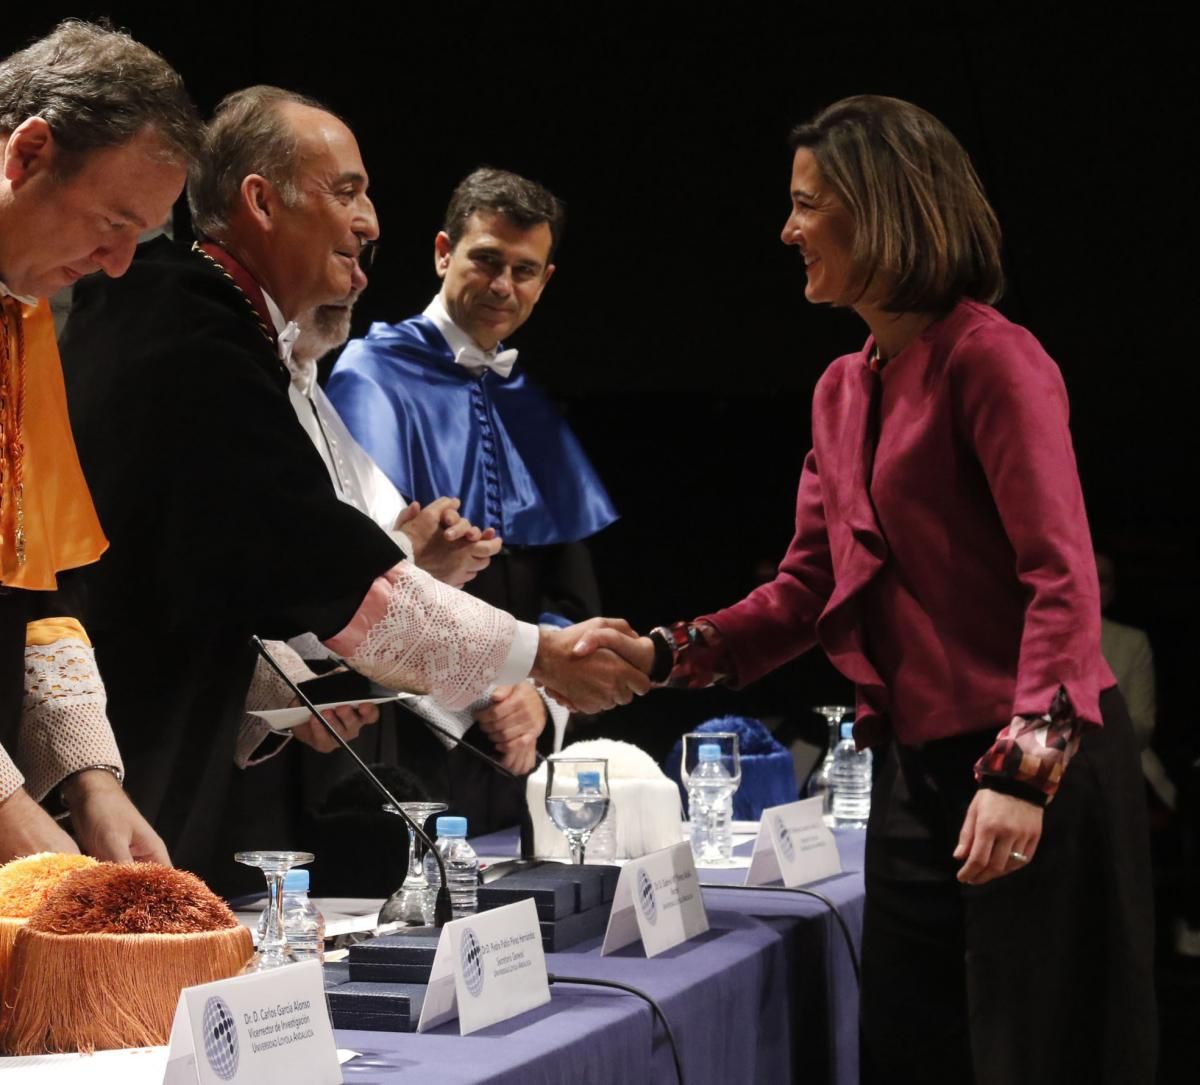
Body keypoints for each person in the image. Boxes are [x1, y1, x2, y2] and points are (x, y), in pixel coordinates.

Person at [576, 95, 1155, 1083]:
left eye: (807, 204)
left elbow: (1062, 579)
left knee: (1032, 1051)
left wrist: (1024, 774)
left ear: (879, 209)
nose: (788, 230)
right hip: (915, 774)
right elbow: (807, 589)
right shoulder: (844, 385)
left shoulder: (993, 357)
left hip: (1030, 766)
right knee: (911, 1047)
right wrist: (667, 652)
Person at [59, 86, 646, 893]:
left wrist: (297, 697)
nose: (370, 222)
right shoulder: (193, 333)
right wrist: (541, 656)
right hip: (95, 771)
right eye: (346, 193)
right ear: (261, 202)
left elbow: (214, 586)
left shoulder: (221, 325)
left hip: (156, 753)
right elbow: (340, 579)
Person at [326, 169, 615, 827]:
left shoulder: (525, 402)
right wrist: (486, 687)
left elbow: (570, 596)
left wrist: (538, 693)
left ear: (546, 281)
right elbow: (366, 581)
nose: (502, 286)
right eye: (486, 259)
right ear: (442, 253)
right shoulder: (370, 378)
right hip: (409, 740)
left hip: (516, 749)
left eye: (524, 269)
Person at [0, 19, 200, 865]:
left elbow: (33, 578)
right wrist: (11, 815)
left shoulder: (26, 316)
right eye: (112, 222)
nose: (118, 264)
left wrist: (90, 777)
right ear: (29, 152)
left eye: (141, 237)